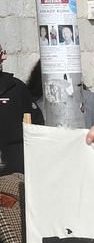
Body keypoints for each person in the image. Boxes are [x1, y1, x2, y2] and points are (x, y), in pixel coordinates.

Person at [0, 44, 45, 172]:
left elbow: (37, 126)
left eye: (3, 52)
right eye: (1, 53)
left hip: (15, 173)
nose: (4, 57)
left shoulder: (16, 87)